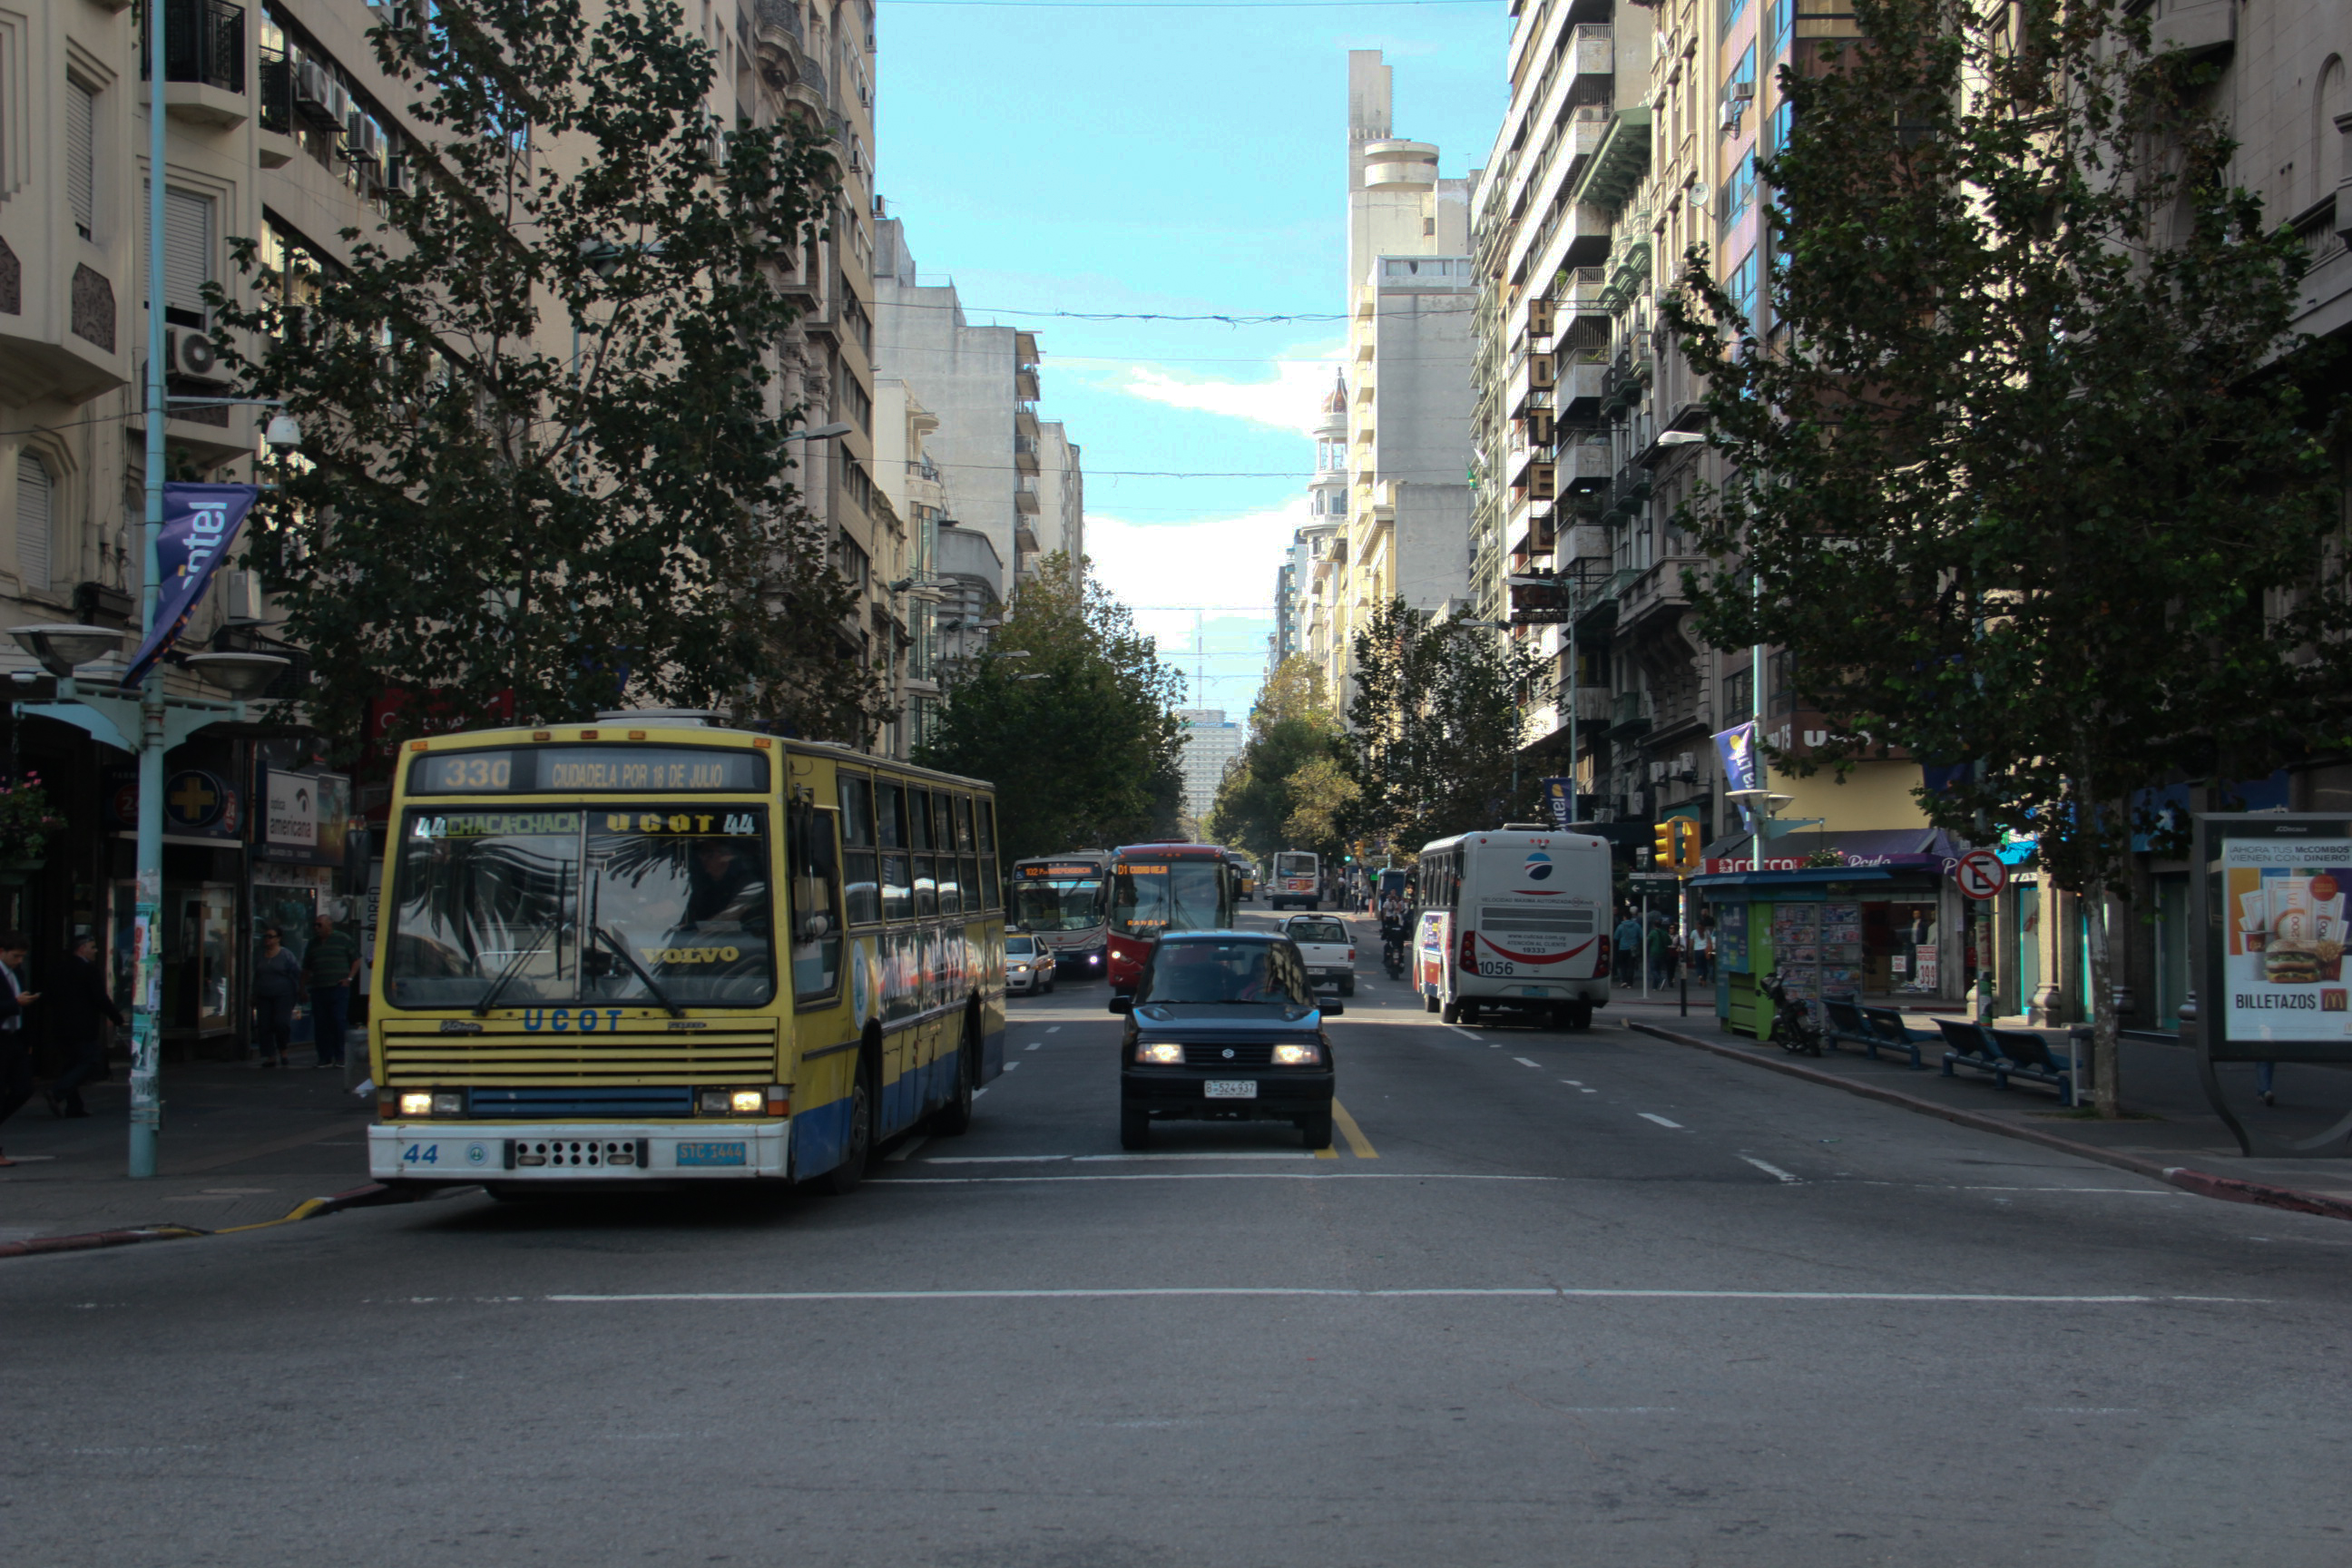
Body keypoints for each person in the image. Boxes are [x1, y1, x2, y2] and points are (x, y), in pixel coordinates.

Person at [42, 935, 121, 1118]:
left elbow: (50, 995)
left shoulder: (58, 968)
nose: (96, 951)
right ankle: (57, 1092)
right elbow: (100, 998)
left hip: (61, 1024)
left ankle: (74, 1106)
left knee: (71, 1063)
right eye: (92, 947)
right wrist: (115, 1016)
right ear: (82, 948)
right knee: (90, 1061)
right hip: (83, 1025)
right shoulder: (88, 970)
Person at [0, 932, 43, 1166]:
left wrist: (28, 1042)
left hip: (15, 1038)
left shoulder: (17, 973)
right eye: (15, 956)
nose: (19, 961)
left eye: (22, 957)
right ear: (2, 951)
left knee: (23, 1088)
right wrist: (14, 1004)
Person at [304, 912, 362, 1070]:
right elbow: (306, 966)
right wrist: (302, 987)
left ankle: (341, 1055)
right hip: (318, 987)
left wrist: (349, 978)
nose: (316, 928)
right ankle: (324, 1057)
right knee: (321, 1023)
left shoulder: (343, 939)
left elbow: (357, 959)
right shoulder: (313, 943)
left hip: (338, 987)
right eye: (315, 925)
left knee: (338, 1020)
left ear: (329, 925)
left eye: (319, 925)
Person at [251, 926, 303, 1068]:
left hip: (283, 995)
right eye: (265, 936)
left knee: (281, 1023)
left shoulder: (286, 955)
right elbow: (256, 976)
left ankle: (283, 1051)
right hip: (264, 995)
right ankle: (270, 1056)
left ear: (278, 939)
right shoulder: (260, 955)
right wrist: (253, 994)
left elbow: (297, 973)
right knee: (264, 1025)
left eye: (270, 936)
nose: (267, 939)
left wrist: (300, 990)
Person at [1612, 908, 1641, 986]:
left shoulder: (1620, 926)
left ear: (1624, 917)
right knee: (1631, 965)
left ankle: (1624, 980)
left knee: (1623, 965)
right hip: (1633, 948)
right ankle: (1630, 983)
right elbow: (1641, 936)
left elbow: (1616, 937)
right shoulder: (1636, 926)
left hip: (1623, 948)